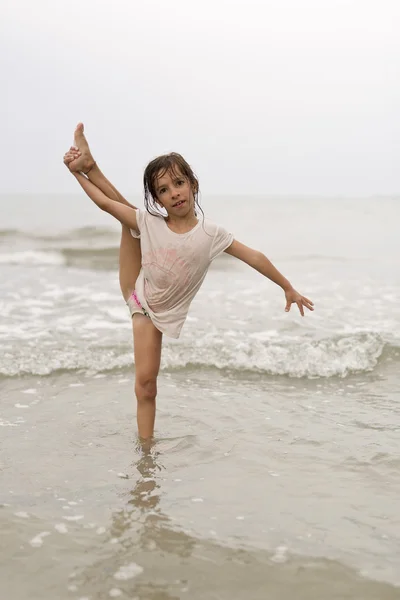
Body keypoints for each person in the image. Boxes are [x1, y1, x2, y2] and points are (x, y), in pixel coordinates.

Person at [63, 124, 314, 441]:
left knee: (131, 217)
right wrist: (76, 176)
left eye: (179, 183)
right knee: (146, 383)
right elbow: (104, 204)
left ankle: (91, 164)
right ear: (158, 199)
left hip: (160, 297)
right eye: (164, 190)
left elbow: (255, 256)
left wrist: (287, 286)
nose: (174, 193)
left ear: (193, 185)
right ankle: (146, 447)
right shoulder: (151, 221)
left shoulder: (212, 235)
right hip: (140, 297)